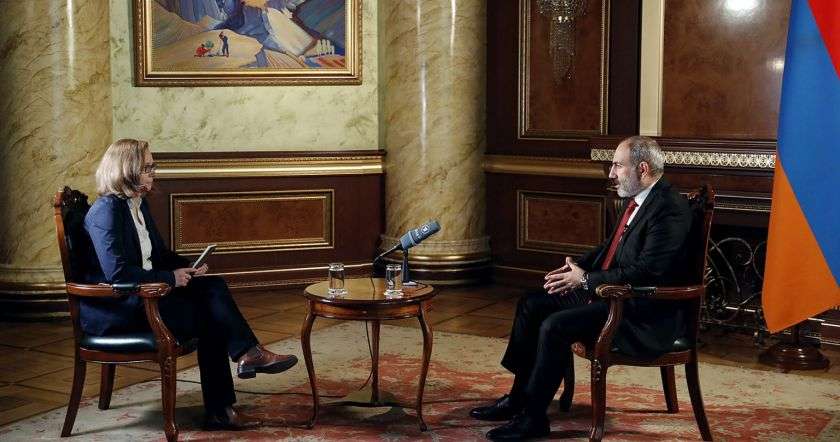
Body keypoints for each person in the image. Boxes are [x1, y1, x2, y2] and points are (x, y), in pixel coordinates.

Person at [470, 136, 693, 440]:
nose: (611, 173)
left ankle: (533, 419)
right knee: (532, 303)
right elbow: (610, 248)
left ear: (642, 169)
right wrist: (576, 267)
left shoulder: (669, 208)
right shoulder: (638, 199)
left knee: (555, 325)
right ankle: (519, 397)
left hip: (642, 313)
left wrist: (585, 280)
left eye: (617, 165)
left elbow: (646, 272)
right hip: (613, 297)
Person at [82, 139, 299, 430]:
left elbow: (159, 256)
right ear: (127, 170)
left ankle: (244, 364)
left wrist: (188, 267)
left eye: (153, 167)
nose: (153, 173)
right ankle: (233, 387)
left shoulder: (137, 205)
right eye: (147, 168)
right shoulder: (106, 211)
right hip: (119, 310)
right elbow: (118, 275)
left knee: (213, 286)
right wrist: (171, 278)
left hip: (146, 297)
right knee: (213, 316)